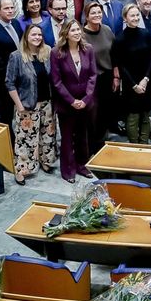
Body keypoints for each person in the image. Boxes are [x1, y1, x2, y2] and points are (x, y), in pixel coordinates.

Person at [5, 24, 55, 185]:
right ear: (26, 36)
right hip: (27, 105)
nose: (37, 37)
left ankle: (45, 161)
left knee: (47, 135)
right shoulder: (17, 56)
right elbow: (10, 83)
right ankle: (21, 170)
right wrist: (19, 105)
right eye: (33, 34)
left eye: (39, 35)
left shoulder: (47, 52)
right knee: (25, 139)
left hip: (47, 103)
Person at [50, 19, 97, 183]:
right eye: (73, 30)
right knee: (68, 137)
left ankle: (82, 166)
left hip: (85, 102)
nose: (77, 33)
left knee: (82, 136)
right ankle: (68, 170)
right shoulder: (56, 52)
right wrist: (71, 101)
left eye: (78, 30)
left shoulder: (88, 49)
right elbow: (56, 82)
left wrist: (85, 99)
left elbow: (92, 75)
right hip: (66, 104)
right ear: (66, 34)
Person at [113, 3, 151, 143]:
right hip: (131, 83)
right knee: (133, 117)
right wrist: (134, 85)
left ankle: (144, 143)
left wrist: (146, 79)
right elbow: (121, 65)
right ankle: (134, 145)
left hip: (146, 80)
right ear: (125, 18)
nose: (136, 18)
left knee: (146, 115)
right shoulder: (120, 39)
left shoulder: (145, 33)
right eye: (132, 15)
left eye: (137, 15)